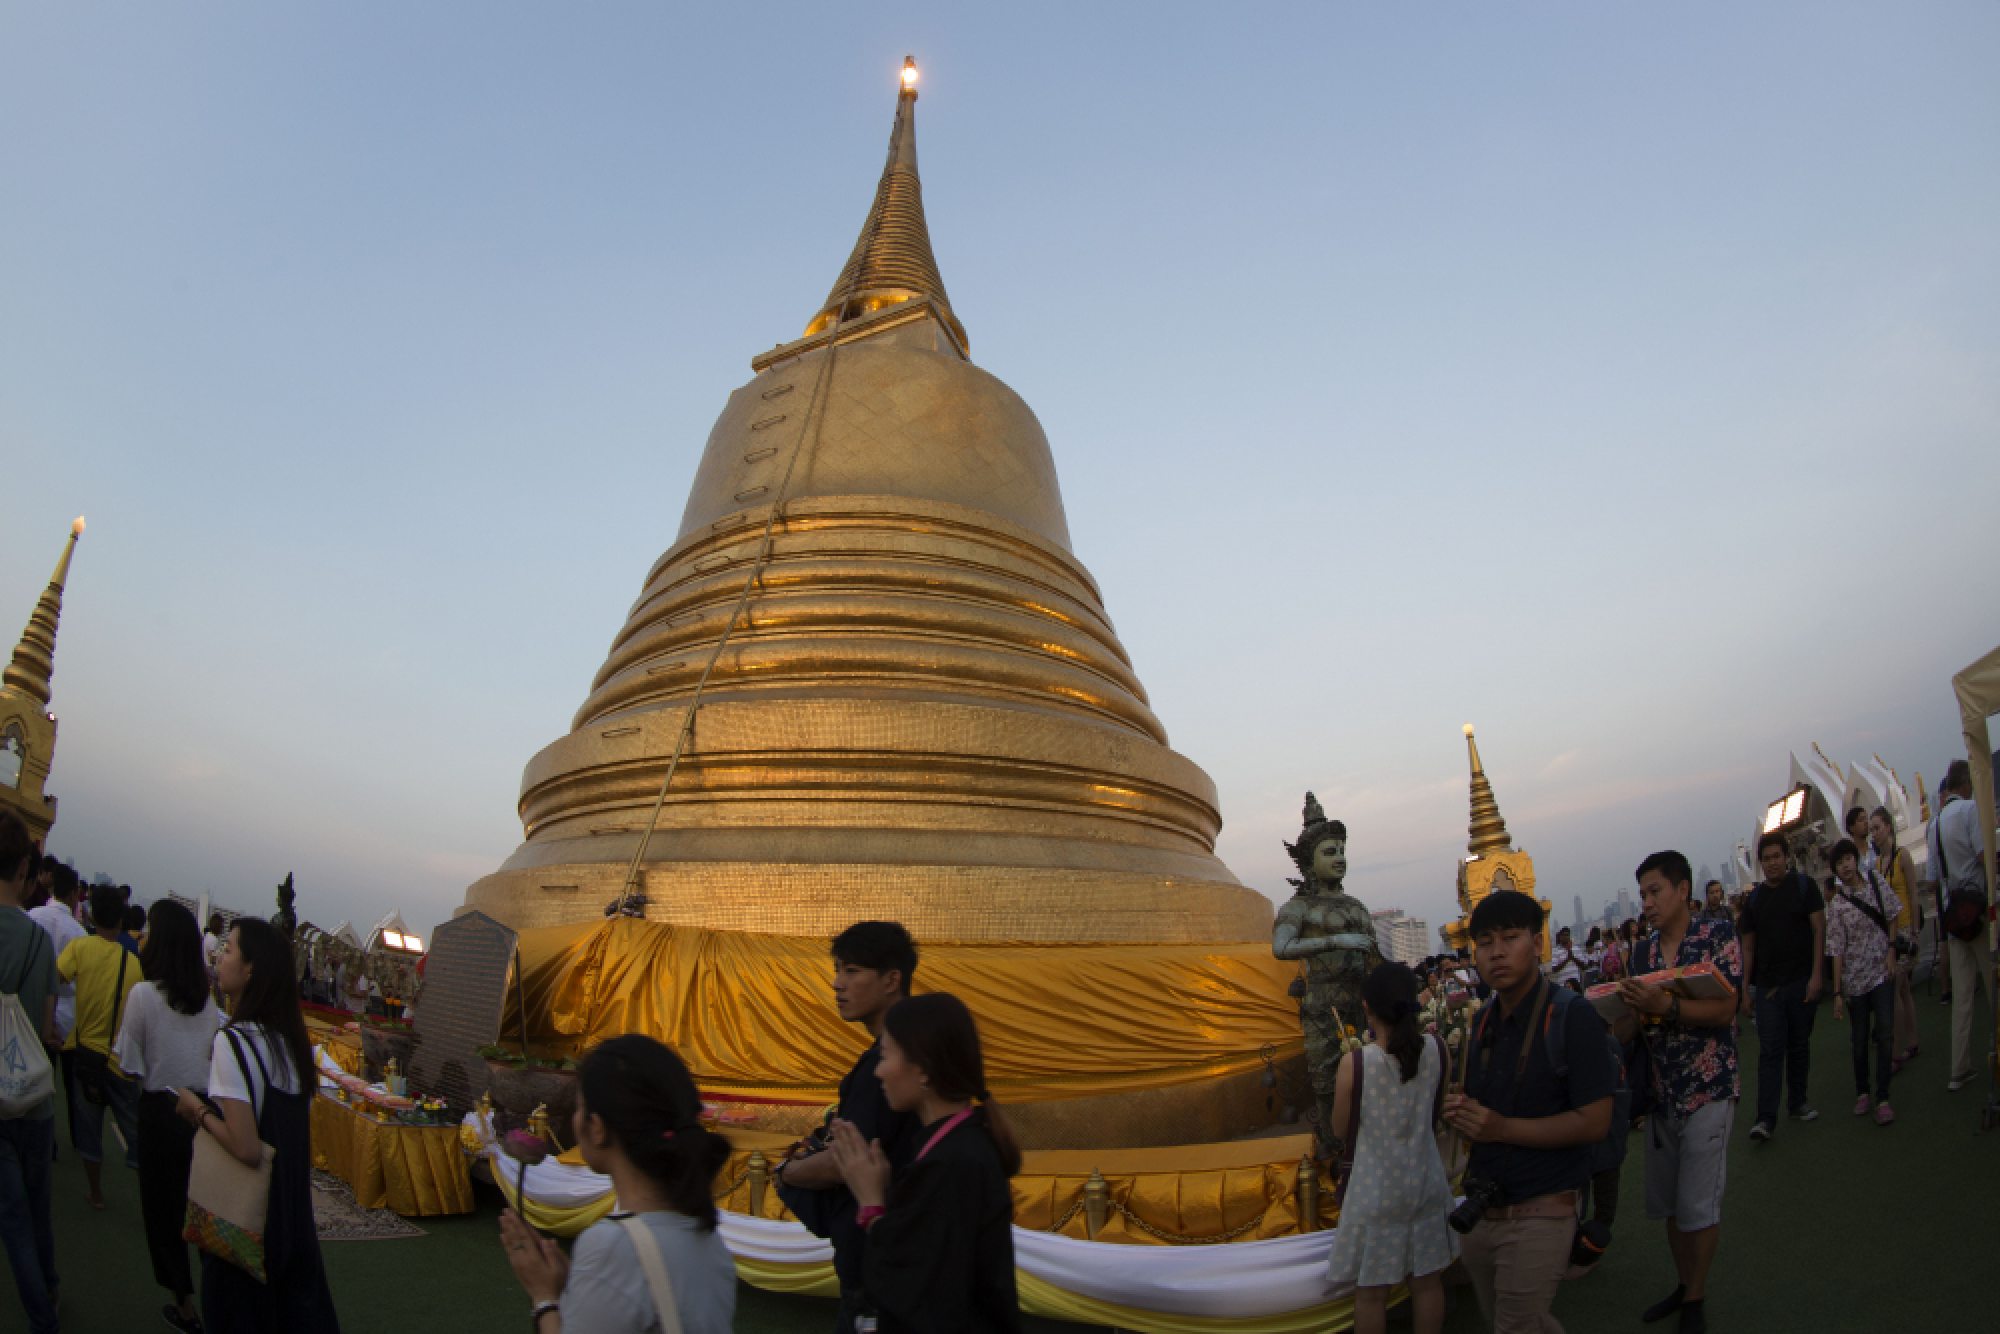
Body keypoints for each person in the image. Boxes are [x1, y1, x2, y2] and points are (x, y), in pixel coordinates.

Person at [1442, 891, 1616, 1334]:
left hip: (1543, 1204)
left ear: (1537, 944)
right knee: (1514, 1322)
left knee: (1516, 1325)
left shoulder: (1571, 1016)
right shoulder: (1482, 1023)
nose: (1496, 952)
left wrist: (1500, 1128)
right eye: (1484, 942)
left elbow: (1596, 1121)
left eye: (1510, 937)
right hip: (1483, 1209)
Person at [498, 1035, 736, 1334]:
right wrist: (581, 1288)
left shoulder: (612, 1245)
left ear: (597, 1128)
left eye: (579, 1107)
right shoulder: (706, 1236)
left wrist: (544, 1297)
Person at [175, 919, 340, 1334]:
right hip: (291, 1220)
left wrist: (198, 1112)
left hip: (248, 1227)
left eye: (228, 950)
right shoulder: (290, 1044)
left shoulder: (233, 1042)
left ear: (251, 969)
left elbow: (247, 1147)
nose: (219, 957)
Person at [827, 991, 1021, 1334]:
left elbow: (920, 1292)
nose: (879, 1073)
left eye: (885, 1057)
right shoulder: (953, 1145)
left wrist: (871, 1203)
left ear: (923, 1070)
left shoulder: (953, 1162)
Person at [1613, 852, 1742, 1334]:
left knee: (1697, 1206)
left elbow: (1728, 1010)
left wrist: (1664, 1007)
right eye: (1642, 894)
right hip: (1661, 1093)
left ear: (1682, 890)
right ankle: (1685, 1283)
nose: (1647, 902)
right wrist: (1618, 1014)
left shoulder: (1716, 938)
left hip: (1710, 1086)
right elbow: (1629, 1031)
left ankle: (1696, 1296)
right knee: (1669, 1204)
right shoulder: (1641, 955)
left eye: (1655, 891)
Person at [772, 922, 923, 1332]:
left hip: (877, 1263)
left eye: (852, 971)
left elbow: (848, 1162)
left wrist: (786, 1172)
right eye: (837, 970)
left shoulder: (887, 1067)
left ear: (892, 979)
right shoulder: (905, 1053)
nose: (837, 984)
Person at [1325, 962, 1455, 1334]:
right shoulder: (1439, 1049)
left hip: (1374, 1193)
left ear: (1366, 1007)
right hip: (1426, 1184)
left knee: (1370, 1295)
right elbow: (1438, 1112)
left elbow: (1339, 1129)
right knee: (1428, 1284)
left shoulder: (1356, 1063)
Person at [117, 899, 223, 1334]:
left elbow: (128, 1063)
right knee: (207, 1218)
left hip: (161, 1113)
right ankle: (219, 1307)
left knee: (165, 1217)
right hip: (205, 1116)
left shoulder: (144, 995)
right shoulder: (209, 1004)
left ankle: (185, 1310)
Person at [0, 813, 61, 1334]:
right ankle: (50, 1298)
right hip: (33, 1100)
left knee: (11, 1216)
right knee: (35, 1209)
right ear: (25, 868)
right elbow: (45, 1029)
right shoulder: (40, 940)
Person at [57, 882, 145, 1204]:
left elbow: (57, 978)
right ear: (121, 921)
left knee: (89, 1129)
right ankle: (149, 1195)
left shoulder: (79, 948)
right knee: (136, 1132)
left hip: (86, 1056)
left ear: (91, 916)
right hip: (120, 1062)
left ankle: (95, 1193)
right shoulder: (133, 964)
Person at [1735, 832, 1824, 1139]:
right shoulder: (1755, 900)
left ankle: (1798, 1102)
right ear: (1761, 864)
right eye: (1767, 859)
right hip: (1768, 989)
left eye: (1777, 857)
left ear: (1787, 857)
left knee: (1799, 1044)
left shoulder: (1804, 887)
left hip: (1801, 982)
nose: (1772, 863)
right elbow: (1747, 947)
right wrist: (1745, 990)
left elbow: (1818, 931)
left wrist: (1816, 976)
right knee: (1770, 1051)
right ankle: (1765, 1118)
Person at [1822, 839, 1903, 1125]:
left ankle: (1882, 1097)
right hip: (1855, 979)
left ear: (1856, 860)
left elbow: (1893, 915)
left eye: (1848, 859)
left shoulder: (1875, 882)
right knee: (1859, 1040)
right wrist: (1837, 993)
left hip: (1881, 970)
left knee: (1885, 1033)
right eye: (1839, 863)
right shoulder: (1837, 905)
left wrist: (1892, 951)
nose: (1845, 866)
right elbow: (1837, 950)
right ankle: (1862, 1092)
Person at [1926, 761, 1996, 1093]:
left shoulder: (1935, 824)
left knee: (1963, 995)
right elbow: (1984, 857)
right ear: (1966, 784)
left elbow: (1931, 880)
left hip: (1954, 914)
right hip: (1979, 910)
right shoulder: (1970, 810)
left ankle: (1959, 1068)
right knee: (1993, 984)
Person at [1868, 807, 1922, 1066]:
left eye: (1877, 828)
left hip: (1904, 929)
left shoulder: (1903, 858)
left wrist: (1915, 931)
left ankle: (1897, 1051)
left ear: (1889, 827)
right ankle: (1911, 1042)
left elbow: (1913, 893)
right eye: (1872, 830)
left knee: (1897, 990)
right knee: (1904, 991)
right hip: (1891, 932)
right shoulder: (1878, 864)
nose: (1874, 834)